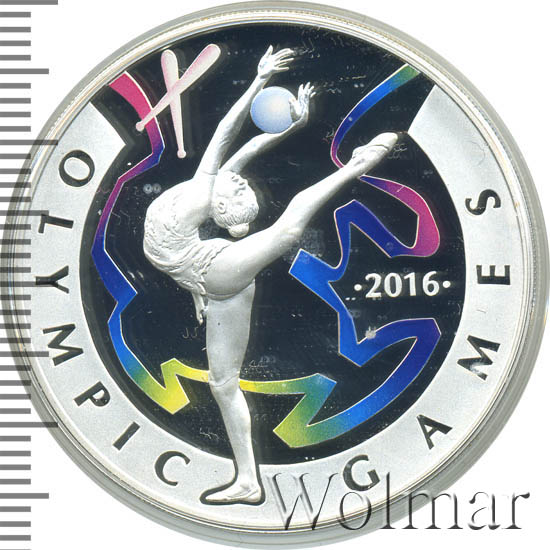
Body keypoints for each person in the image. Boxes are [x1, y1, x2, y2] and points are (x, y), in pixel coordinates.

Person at [143, 45, 398, 503]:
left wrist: (259, 80)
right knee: (223, 383)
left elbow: (225, 134)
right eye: (242, 188)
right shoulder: (213, 189)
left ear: (220, 208)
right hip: (212, 279)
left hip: (217, 271)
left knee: (288, 228)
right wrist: (291, 123)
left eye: (240, 191)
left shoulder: (202, 195)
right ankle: (248, 481)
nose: (241, 180)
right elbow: (243, 148)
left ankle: (358, 165)